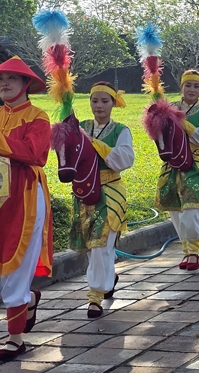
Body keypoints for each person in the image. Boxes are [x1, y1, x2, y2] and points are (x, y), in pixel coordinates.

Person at [0, 56, 53, 361]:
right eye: (0, 79)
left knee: (17, 270)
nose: (4, 83)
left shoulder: (38, 117)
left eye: (12, 78)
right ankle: (30, 299)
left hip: (25, 197)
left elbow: (35, 154)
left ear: (25, 84)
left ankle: (15, 339)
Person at [73, 82, 134, 318]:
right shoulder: (79, 127)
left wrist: (96, 145)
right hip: (83, 192)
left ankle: (95, 297)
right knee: (92, 246)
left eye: (104, 101)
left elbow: (125, 159)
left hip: (109, 192)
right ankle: (108, 278)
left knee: (100, 245)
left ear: (114, 103)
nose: (99, 105)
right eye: (94, 100)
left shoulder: (121, 130)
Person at [158, 69, 199, 271]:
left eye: (196, 86)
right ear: (181, 87)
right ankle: (187, 251)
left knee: (191, 209)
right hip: (173, 162)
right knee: (175, 210)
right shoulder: (169, 108)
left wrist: (182, 122)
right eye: (188, 85)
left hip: (196, 163)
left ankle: (194, 250)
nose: (192, 89)